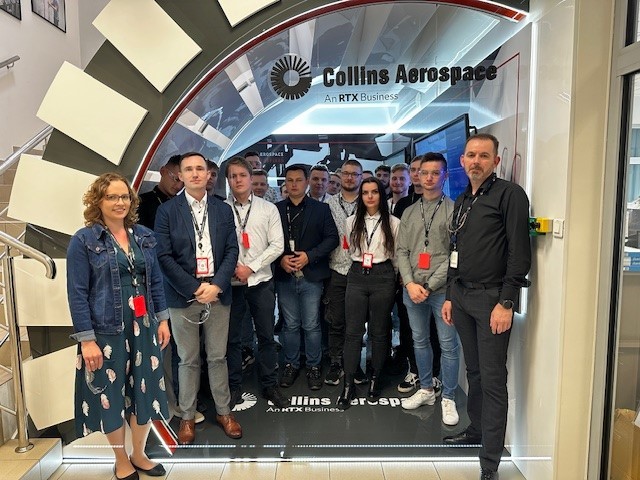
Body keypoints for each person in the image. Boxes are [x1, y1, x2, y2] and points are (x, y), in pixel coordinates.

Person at [67, 173, 170, 480]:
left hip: (144, 325)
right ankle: (121, 458)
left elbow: (155, 282)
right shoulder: (83, 241)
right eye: (112, 197)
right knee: (110, 394)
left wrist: (163, 319)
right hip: (105, 331)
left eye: (124, 196)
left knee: (145, 391)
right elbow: (77, 293)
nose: (119, 202)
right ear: (98, 201)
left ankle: (139, 454)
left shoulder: (144, 236)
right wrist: (87, 340)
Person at [441, 134, 531, 480]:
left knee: (493, 379)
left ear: (496, 161)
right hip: (462, 297)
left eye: (483, 155)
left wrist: (506, 301)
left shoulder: (510, 195)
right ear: (462, 161)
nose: (475, 161)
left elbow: (519, 253)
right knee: (474, 372)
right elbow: (455, 250)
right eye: (470, 155)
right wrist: (450, 294)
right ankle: (476, 430)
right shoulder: (464, 198)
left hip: (492, 299)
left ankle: (489, 463)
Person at [155, 152, 242, 444]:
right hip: (183, 296)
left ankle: (224, 412)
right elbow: (163, 257)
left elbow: (232, 250)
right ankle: (187, 416)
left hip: (217, 293)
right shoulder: (167, 211)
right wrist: (194, 288)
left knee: (218, 357)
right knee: (187, 359)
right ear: (180, 175)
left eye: (200, 169)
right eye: (188, 169)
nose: (195, 174)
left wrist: (216, 285)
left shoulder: (222, 210)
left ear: (208, 174)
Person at [396, 153, 460, 426]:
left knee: (448, 345)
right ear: (418, 176)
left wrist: (428, 285)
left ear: (445, 176)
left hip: (442, 291)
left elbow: (455, 254)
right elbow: (401, 251)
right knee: (419, 341)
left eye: (436, 173)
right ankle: (426, 389)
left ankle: (449, 397)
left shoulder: (454, 210)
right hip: (412, 290)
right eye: (425, 173)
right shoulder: (409, 212)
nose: (429, 178)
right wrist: (410, 283)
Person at [224, 157, 290, 408]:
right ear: (228, 180)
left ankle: (270, 385)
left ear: (251, 179)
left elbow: (277, 246)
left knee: (266, 337)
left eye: (242, 175)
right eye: (233, 176)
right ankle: (234, 387)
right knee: (232, 339)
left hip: (261, 282)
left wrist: (250, 268)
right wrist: (233, 270)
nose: (238, 180)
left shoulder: (268, 209)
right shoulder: (220, 209)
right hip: (231, 284)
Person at [336, 177, 399, 409]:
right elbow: (349, 249)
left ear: (381, 195)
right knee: (353, 333)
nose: (370, 196)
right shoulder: (351, 221)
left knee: (379, 333)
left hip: (383, 276)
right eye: (365, 192)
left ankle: (375, 379)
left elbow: (396, 256)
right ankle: (348, 384)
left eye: (374, 192)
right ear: (360, 196)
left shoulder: (393, 222)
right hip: (357, 275)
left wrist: (393, 279)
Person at [274, 164, 339, 391]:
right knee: (290, 324)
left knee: (312, 324)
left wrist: (309, 256)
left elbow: (332, 239)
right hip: (285, 275)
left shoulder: (321, 209)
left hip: (311, 275)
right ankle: (291, 364)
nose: (294, 184)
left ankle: (313, 366)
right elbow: (268, 241)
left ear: (307, 182)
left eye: (298, 180)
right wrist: (280, 259)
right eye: (289, 180)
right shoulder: (276, 209)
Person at [324, 160, 367, 385]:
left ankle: (354, 364)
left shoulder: (368, 203)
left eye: (355, 174)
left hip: (361, 271)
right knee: (336, 321)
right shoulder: (328, 204)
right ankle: (335, 362)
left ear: (361, 177)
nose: (350, 178)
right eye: (347, 174)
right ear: (340, 176)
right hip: (336, 269)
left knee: (356, 323)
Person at [137, 155, 183, 229]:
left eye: (184, 183)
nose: (179, 186)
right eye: (176, 179)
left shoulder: (185, 205)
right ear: (163, 171)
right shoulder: (142, 203)